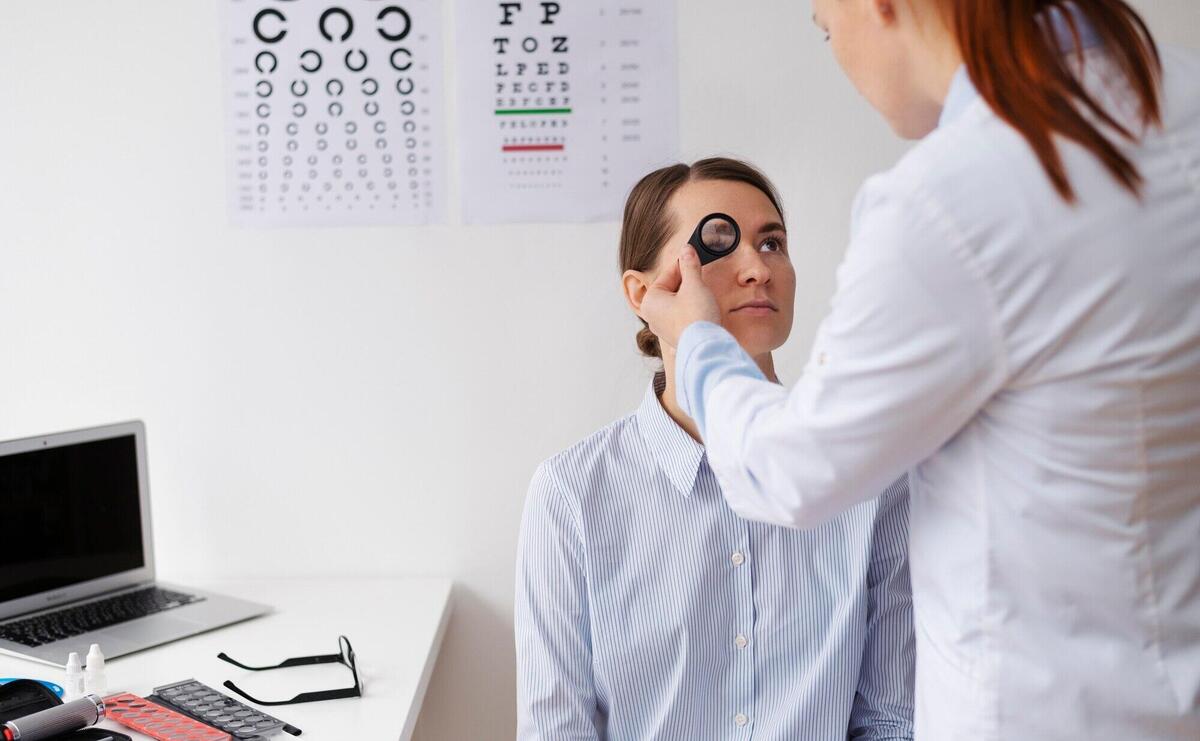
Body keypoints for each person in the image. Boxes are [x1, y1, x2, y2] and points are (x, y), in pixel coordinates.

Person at [639, 1, 1200, 739]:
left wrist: (702, 344)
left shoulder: (954, 200)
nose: (753, 269)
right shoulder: (1177, 101)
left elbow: (790, 470)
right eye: (720, 245)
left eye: (823, 25)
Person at [515, 158, 914, 740]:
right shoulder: (572, 495)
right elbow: (556, 730)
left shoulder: (867, 475)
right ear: (643, 292)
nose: (757, 268)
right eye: (719, 242)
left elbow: (892, 720)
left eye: (772, 242)